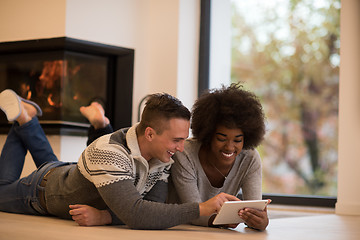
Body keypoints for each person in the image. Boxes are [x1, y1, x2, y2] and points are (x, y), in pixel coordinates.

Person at [0, 89, 239, 230]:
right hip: (41, 193)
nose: (181, 147)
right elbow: (137, 214)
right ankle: (24, 119)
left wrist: (105, 216)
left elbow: (154, 205)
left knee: (59, 171)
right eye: (176, 140)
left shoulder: (163, 155)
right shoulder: (109, 152)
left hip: (68, 177)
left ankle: (26, 119)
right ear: (149, 133)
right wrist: (201, 208)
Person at [169, 83, 270, 230]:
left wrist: (259, 221)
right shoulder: (185, 153)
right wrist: (220, 220)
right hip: (176, 230)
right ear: (208, 135)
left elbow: (254, 209)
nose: (229, 147)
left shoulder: (249, 158)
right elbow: (192, 211)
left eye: (237, 140)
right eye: (221, 139)